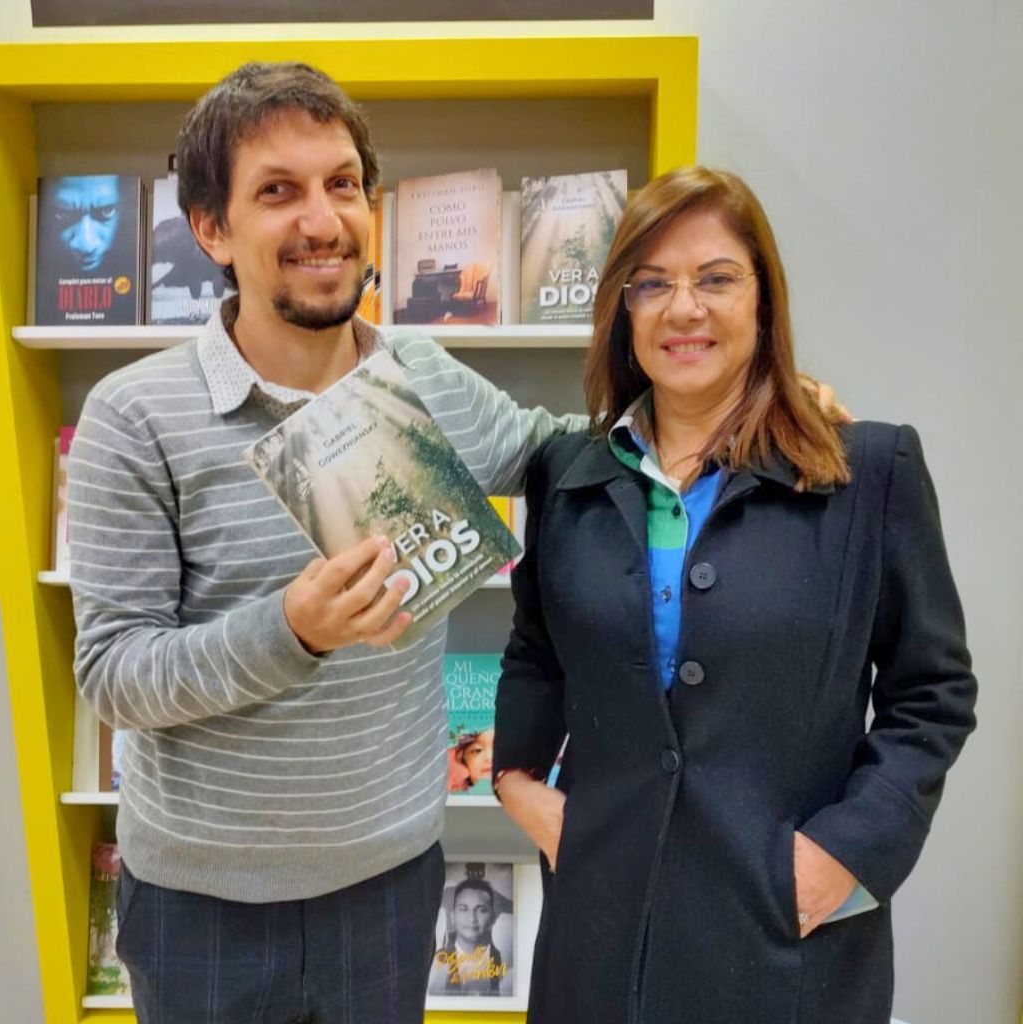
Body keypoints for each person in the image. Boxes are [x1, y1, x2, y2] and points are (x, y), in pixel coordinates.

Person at [67, 61, 585, 1024]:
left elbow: (558, 452)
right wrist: (291, 632)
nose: (322, 220)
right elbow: (113, 675)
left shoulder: (421, 373)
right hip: (201, 909)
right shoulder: (132, 415)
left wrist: (737, 413)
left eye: (342, 184)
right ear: (212, 229)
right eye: (277, 191)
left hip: (388, 887)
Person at [492, 166, 977, 1024]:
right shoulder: (566, 474)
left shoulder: (870, 472)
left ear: (763, 301)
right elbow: (537, 652)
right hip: (601, 937)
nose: (684, 309)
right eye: (652, 284)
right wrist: (517, 783)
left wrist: (844, 855)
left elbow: (932, 695)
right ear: (623, 311)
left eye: (716, 279)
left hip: (783, 946)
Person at [427, 876, 509, 996]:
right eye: (463, 909)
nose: (472, 918)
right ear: (452, 917)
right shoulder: (433, 964)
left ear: (493, 918)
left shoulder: (507, 965)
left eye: (481, 910)